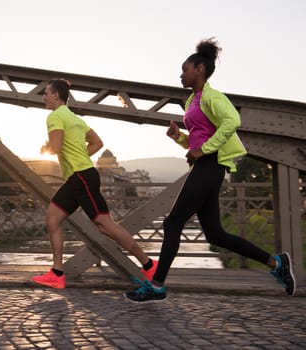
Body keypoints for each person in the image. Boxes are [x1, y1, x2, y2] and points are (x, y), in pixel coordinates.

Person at [124, 38, 296, 302]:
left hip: (211, 164)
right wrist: (178, 138)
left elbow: (232, 121)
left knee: (172, 223)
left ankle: (157, 285)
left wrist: (204, 150)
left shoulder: (213, 97)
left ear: (199, 70)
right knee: (215, 234)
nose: (181, 74)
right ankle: (276, 264)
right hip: (205, 164)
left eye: (185, 70)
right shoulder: (193, 99)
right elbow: (198, 139)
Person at [31, 79, 157, 289]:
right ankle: (57, 273)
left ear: (55, 95)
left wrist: (46, 148)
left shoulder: (54, 117)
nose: (43, 97)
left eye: (46, 93)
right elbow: (98, 143)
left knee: (106, 226)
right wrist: (81, 155)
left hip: (81, 177)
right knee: (52, 219)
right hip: (79, 177)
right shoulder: (76, 119)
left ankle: (149, 264)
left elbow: (55, 146)